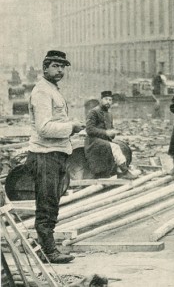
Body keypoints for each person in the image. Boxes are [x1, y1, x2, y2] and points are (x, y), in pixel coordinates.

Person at [27, 50, 84, 263]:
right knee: (46, 204)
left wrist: (71, 125)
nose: (60, 70)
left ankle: (48, 247)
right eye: (55, 66)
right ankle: (49, 252)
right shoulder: (42, 92)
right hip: (44, 156)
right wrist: (72, 127)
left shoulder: (52, 90)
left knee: (52, 202)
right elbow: (44, 128)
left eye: (63, 66)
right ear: (45, 68)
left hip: (55, 154)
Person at [84, 91, 137, 180]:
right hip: (93, 141)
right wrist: (106, 133)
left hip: (104, 140)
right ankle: (125, 171)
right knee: (115, 147)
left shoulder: (109, 114)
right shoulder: (93, 112)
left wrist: (113, 133)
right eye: (106, 99)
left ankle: (119, 172)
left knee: (122, 146)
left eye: (110, 100)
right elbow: (89, 130)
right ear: (101, 100)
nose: (108, 102)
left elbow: (110, 129)